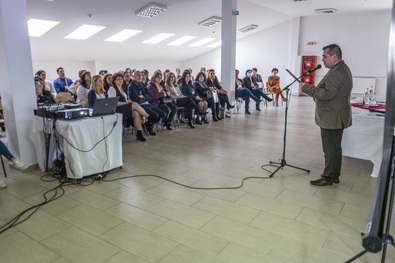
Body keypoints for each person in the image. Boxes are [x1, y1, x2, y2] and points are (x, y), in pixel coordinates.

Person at [301, 44, 352, 186]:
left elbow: (327, 94)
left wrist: (307, 88)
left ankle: (328, 177)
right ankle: (334, 175)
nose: (322, 60)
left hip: (332, 117)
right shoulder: (340, 68)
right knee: (334, 148)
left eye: (325, 56)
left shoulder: (337, 72)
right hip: (335, 115)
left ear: (334, 56)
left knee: (330, 149)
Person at [108, 72, 149, 141]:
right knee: (134, 104)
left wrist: (128, 102)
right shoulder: (112, 89)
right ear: (114, 81)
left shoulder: (123, 88)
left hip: (125, 108)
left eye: (121, 79)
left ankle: (139, 134)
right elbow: (113, 103)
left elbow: (127, 99)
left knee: (136, 113)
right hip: (117, 109)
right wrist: (127, 103)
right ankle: (148, 117)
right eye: (118, 79)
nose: (120, 80)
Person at [128, 71, 166, 136]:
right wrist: (145, 97)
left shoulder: (142, 84)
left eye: (141, 75)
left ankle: (147, 124)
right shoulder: (131, 86)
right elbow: (136, 99)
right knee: (155, 115)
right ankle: (149, 127)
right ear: (134, 76)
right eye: (138, 75)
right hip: (140, 106)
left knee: (163, 114)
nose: (140, 77)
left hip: (147, 104)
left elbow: (150, 96)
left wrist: (143, 96)